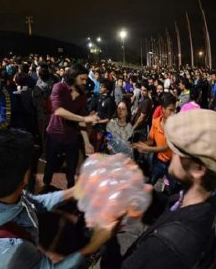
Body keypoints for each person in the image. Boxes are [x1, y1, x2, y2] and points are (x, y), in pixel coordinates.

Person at [0, 129, 119, 268]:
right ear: (26, 176)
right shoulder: (12, 249)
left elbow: (33, 203)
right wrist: (94, 245)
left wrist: (74, 191)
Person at [122, 109, 216, 268]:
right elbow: (171, 208)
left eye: (179, 150)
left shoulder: (167, 247)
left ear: (198, 169)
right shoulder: (198, 202)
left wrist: (105, 240)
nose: (172, 152)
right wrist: (143, 190)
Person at [43, 65, 99, 189]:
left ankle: (70, 190)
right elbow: (58, 111)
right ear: (73, 77)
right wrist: (84, 118)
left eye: (86, 79)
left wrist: (86, 142)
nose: (85, 82)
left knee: (72, 166)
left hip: (71, 136)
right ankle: (46, 187)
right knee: (51, 164)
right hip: (55, 133)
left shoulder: (83, 96)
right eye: (82, 79)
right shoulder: (59, 87)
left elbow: (82, 121)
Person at [133, 93, 176, 187]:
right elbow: (152, 140)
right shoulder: (156, 122)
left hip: (172, 164)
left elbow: (167, 146)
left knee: (173, 188)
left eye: (174, 110)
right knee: (150, 183)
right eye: (171, 110)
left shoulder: (175, 126)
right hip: (159, 161)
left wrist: (148, 149)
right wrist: (139, 144)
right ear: (163, 109)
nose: (173, 113)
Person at [89, 80, 117, 152]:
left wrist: (98, 122)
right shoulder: (99, 97)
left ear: (107, 90)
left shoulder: (110, 101)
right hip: (95, 127)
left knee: (96, 149)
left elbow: (109, 119)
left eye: (102, 87)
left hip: (102, 129)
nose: (100, 88)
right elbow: (97, 111)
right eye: (100, 86)